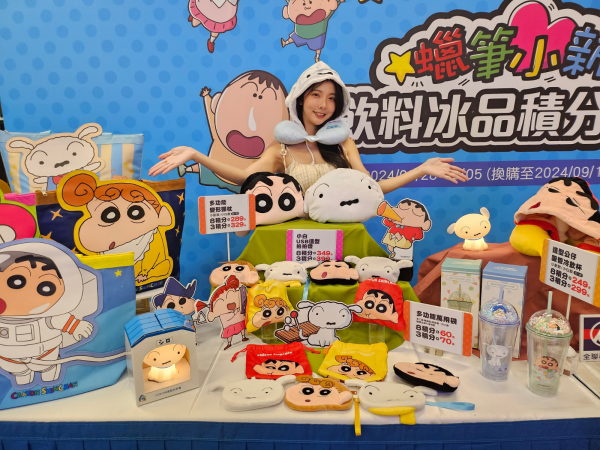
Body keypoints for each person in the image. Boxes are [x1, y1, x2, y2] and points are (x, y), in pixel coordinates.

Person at [149, 62, 468, 193]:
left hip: (342, 240)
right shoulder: (281, 149)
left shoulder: (343, 143)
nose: (323, 104)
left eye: (331, 98)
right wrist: (197, 156)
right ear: (300, 99)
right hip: (296, 243)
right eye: (316, 95)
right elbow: (244, 177)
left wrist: (420, 169)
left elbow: (370, 189)